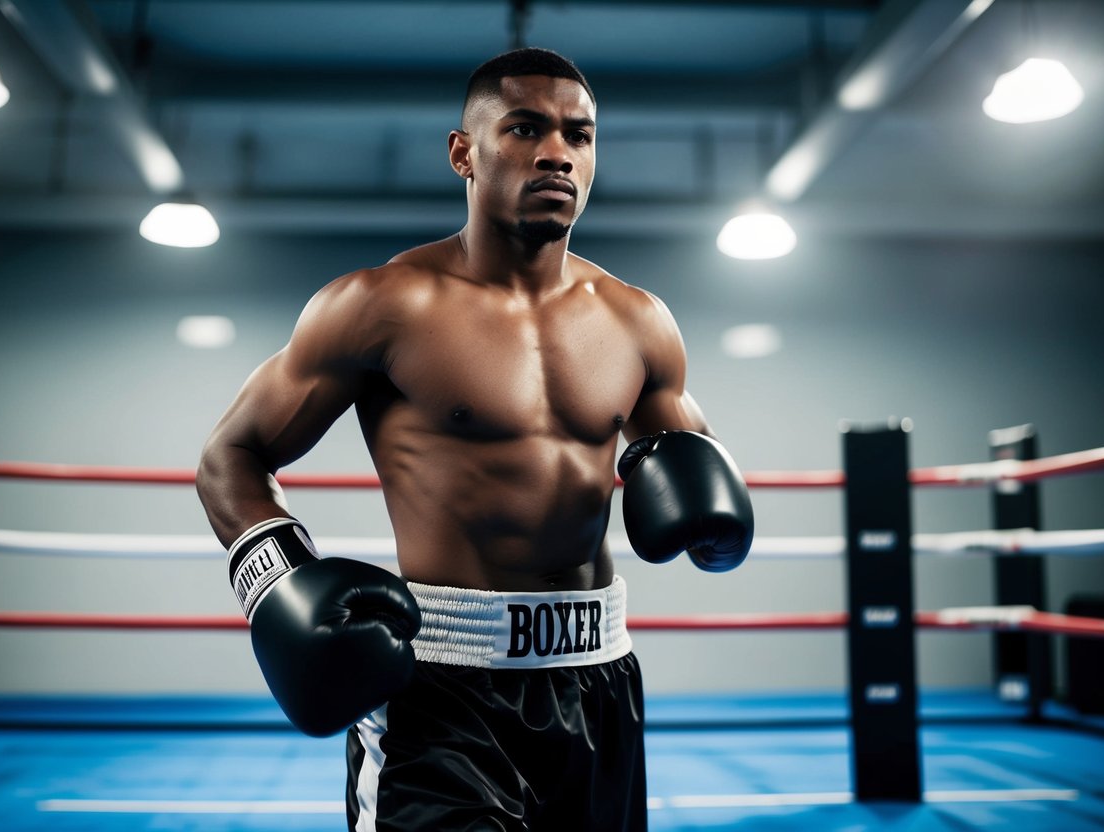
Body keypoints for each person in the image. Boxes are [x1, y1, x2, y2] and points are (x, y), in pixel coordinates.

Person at [197, 47, 754, 832]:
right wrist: (278, 584)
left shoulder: (638, 320)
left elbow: (690, 463)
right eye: (525, 128)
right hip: (443, 691)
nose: (556, 152)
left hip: (596, 677)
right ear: (463, 153)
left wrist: (714, 504)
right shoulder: (381, 305)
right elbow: (230, 455)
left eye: (578, 134)